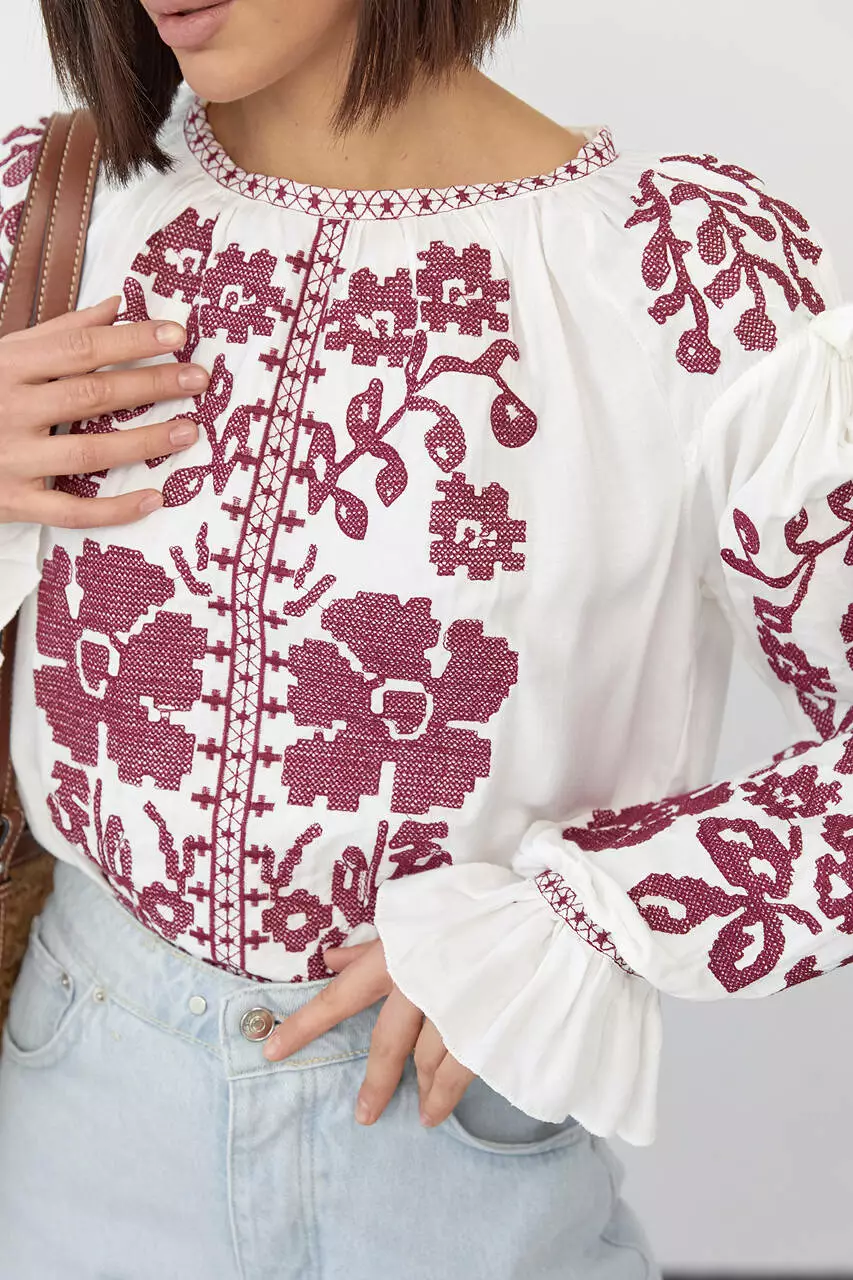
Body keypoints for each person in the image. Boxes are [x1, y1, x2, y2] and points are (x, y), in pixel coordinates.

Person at [0, 0, 850, 1274]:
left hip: (445, 1149)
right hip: (75, 1110)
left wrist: (579, 916)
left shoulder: (682, 272)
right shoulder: (49, 214)